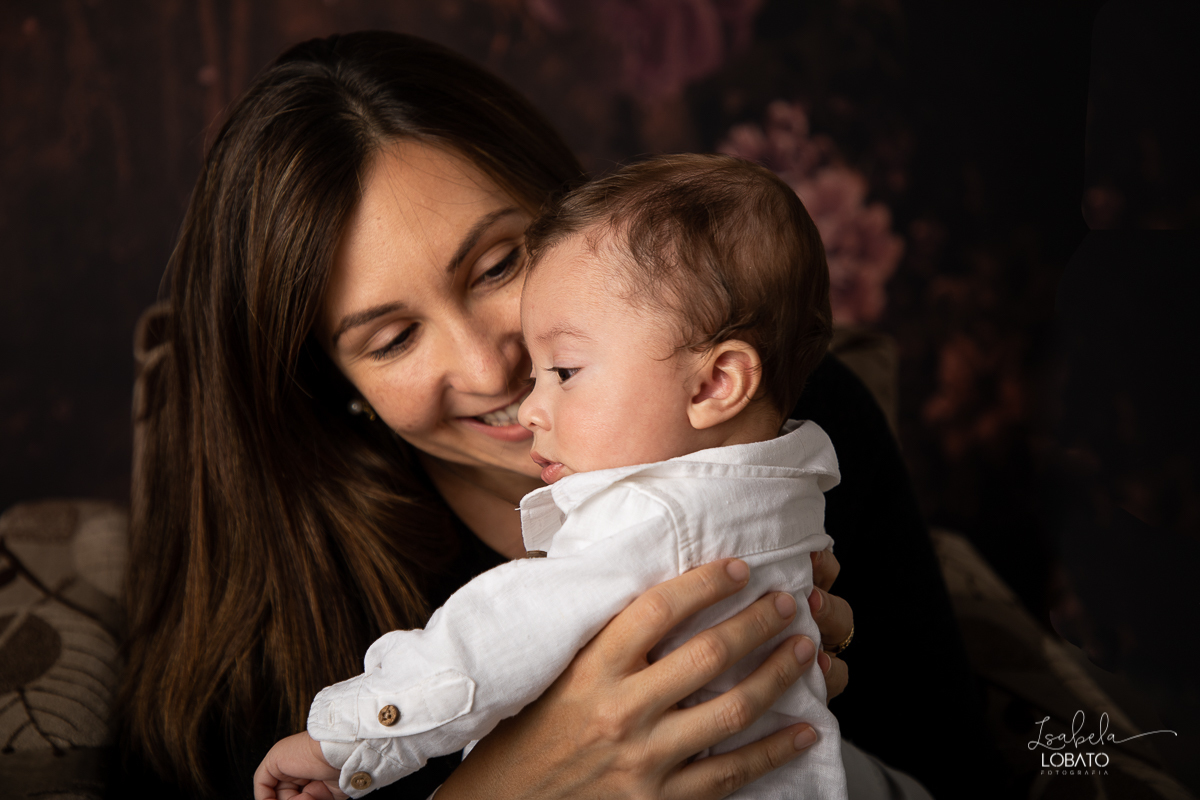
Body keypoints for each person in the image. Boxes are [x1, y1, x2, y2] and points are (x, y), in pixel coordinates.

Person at [114, 31, 987, 800]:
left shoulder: (794, 417)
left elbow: (953, 770)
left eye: (499, 264)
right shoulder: (276, 595)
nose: (494, 363)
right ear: (330, 378)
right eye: (392, 339)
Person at [254, 154, 871, 800]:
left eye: (496, 267)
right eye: (393, 337)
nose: (509, 387)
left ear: (718, 383)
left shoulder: (654, 515)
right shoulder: (790, 463)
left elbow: (497, 637)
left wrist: (353, 735)